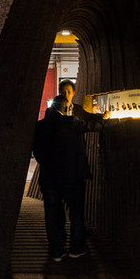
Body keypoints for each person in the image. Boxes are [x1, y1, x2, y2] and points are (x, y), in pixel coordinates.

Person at [31, 79, 104, 262]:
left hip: (50, 177)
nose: (66, 95)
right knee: (77, 212)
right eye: (63, 92)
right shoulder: (71, 121)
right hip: (72, 175)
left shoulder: (40, 125)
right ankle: (76, 248)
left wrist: (49, 164)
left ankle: (57, 250)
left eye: (68, 91)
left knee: (53, 214)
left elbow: (37, 152)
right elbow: (94, 126)